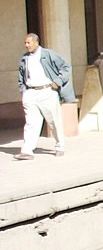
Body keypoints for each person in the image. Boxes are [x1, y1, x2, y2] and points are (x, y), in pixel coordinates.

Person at [16, 32, 76, 160]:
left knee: (53, 120)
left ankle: (60, 146)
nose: (27, 45)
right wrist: (24, 90)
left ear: (36, 43)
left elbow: (66, 67)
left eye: (29, 43)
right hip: (31, 92)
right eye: (25, 43)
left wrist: (57, 82)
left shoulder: (48, 54)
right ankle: (27, 150)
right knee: (31, 123)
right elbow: (21, 76)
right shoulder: (25, 58)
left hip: (46, 91)